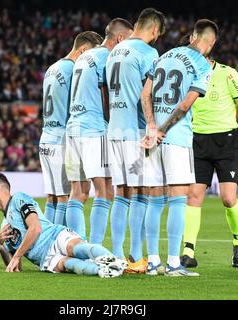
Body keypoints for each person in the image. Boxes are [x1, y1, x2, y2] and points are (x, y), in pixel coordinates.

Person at [140, 19, 217, 276]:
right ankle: (173, 263)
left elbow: (145, 94)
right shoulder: (202, 65)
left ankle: (152, 262)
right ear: (212, 42)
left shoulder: (163, 56)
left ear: (193, 35)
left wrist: (152, 126)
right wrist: (164, 129)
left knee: (153, 199)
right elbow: (184, 106)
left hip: (152, 137)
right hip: (176, 137)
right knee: (177, 199)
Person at [181, 57, 238, 269]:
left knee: (228, 198)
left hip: (226, 142)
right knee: (193, 196)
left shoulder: (228, 74)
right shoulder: (187, 72)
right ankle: (188, 251)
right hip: (197, 140)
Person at [105, 8, 166, 273]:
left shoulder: (114, 52)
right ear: (154, 30)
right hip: (135, 133)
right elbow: (148, 94)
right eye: (158, 35)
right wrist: (153, 125)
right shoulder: (148, 53)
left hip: (115, 130)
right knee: (141, 194)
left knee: (122, 194)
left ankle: (118, 256)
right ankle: (136, 257)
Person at [65, 19, 133, 244]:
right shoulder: (108, 57)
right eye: (129, 40)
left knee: (77, 193)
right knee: (104, 192)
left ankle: (76, 245)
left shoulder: (85, 56)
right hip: (94, 129)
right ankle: (94, 249)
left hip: (73, 128)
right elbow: (106, 99)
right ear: (121, 38)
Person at [0, 173, 127, 277]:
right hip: (45, 258)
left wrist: (17, 256)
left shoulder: (19, 199)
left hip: (55, 236)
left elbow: (35, 228)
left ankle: (114, 260)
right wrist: (0, 246)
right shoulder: (4, 227)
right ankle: (105, 271)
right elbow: (16, 266)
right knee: (71, 266)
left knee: (77, 249)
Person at [39, 31, 103, 225]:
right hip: (62, 140)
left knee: (53, 198)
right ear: (83, 49)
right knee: (70, 196)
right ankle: (59, 245)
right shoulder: (73, 70)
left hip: (46, 138)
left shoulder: (52, 68)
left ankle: (46, 246)